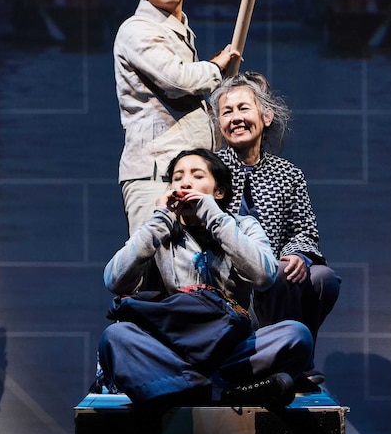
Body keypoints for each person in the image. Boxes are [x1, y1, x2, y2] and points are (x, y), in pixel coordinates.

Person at [96, 148, 313, 409]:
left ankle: (182, 389)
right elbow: (114, 280)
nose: (185, 183)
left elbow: (264, 275)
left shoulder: (243, 225)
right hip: (173, 348)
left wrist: (214, 217)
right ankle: (225, 391)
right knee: (116, 336)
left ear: (218, 191)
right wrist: (159, 222)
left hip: (232, 348)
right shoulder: (159, 229)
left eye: (197, 176)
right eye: (177, 178)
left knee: (296, 335)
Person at [210, 71, 342, 388]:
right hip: (227, 275)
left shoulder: (288, 173)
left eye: (244, 108)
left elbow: (304, 230)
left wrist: (297, 255)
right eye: (227, 112)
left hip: (279, 275)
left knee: (323, 279)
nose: (235, 118)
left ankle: (293, 361)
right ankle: (286, 363)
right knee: (272, 273)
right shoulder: (210, 168)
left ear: (266, 116)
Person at [114, 0, 241, 235]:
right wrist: (215, 67)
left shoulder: (181, 30)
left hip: (190, 172)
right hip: (155, 174)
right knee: (156, 269)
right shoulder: (138, 29)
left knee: (194, 275)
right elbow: (176, 81)